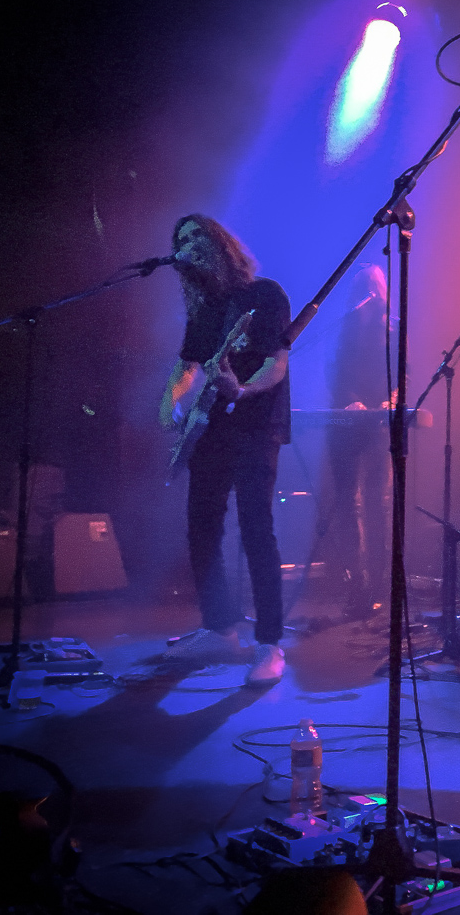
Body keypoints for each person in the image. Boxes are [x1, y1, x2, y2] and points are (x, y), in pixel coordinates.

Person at [158, 214, 293, 687]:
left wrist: (242, 390)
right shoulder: (204, 309)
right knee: (202, 527)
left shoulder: (264, 296)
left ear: (220, 244)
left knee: (257, 529)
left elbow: (276, 365)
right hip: (211, 428)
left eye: (195, 236)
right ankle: (220, 628)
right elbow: (187, 368)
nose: (186, 245)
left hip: (257, 427)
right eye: (180, 240)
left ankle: (270, 643)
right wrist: (171, 402)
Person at [325, 263, 393, 619]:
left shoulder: (392, 331)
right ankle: (355, 583)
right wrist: (349, 399)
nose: (369, 291)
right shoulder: (343, 329)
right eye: (362, 285)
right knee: (347, 504)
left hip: (378, 425)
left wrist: (391, 399)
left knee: (376, 502)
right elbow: (334, 370)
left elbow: (404, 374)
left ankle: (377, 585)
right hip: (347, 422)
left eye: (373, 285)